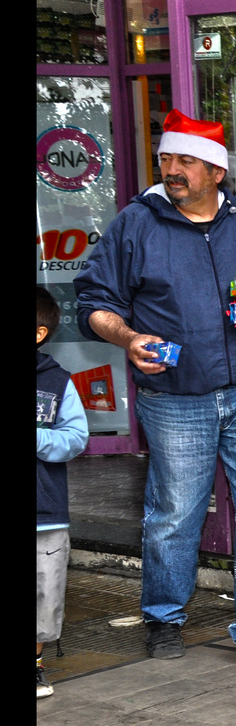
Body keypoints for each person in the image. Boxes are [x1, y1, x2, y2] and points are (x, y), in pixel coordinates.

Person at [74, 109, 236, 674]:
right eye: (166, 159)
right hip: (175, 395)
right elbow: (93, 305)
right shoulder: (136, 224)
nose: (171, 170)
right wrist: (128, 337)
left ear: (216, 172)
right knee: (176, 511)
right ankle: (163, 616)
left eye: (185, 161)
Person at [37, 288, 89, 698]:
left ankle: (35, 665)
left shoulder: (57, 383)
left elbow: (75, 439)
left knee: (43, 594)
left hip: (44, 513)